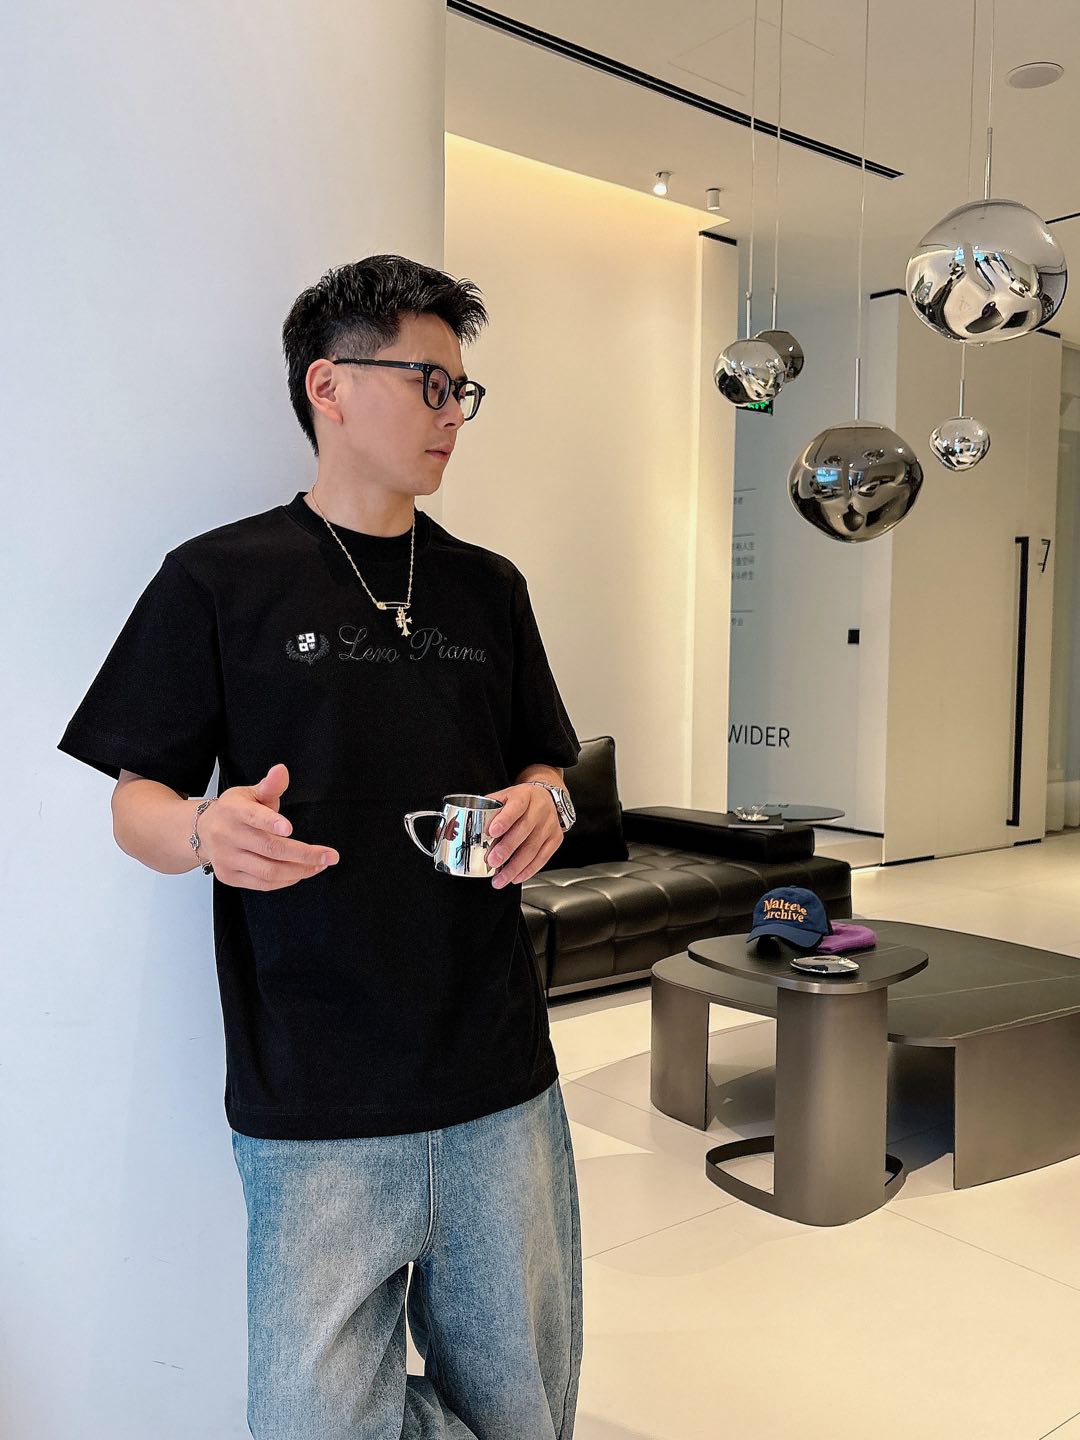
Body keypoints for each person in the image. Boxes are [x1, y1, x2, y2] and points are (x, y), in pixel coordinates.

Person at [57, 255, 584, 1439]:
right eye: (428, 382)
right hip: (314, 1090)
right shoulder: (218, 579)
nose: (453, 414)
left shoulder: (488, 589)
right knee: (313, 1421)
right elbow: (136, 802)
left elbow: (546, 766)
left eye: (462, 390)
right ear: (329, 385)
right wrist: (204, 830)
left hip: (498, 1074)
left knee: (526, 1409)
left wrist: (544, 804)